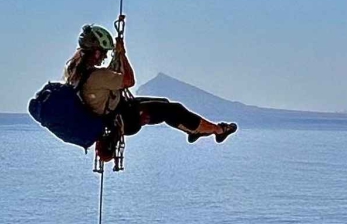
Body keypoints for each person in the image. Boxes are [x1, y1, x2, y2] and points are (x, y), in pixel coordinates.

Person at [64, 17, 237, 162]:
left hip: (116, 111)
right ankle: (218, 130)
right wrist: (122, 54)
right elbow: (129, 80)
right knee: (172, 109)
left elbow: (106, 80)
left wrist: (116, 57)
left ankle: (192, 130)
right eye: (103, 53)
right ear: (96, 53)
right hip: (124, 117)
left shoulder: (73, 72)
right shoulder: (97, 76)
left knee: (165, 104)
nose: (104, 56)